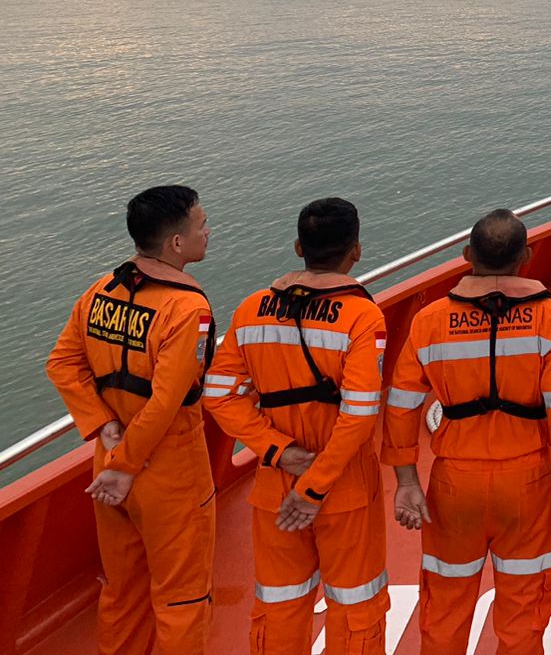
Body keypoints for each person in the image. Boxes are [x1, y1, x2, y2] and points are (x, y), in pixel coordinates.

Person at [381, 210, 551, 655]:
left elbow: (400, 405)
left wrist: (406, 481)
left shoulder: (429, 321)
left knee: (446, 607)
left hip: (454, 484)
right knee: (524, 608)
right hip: (529, 484)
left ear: (466, 255)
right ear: (527, 257)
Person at [203, 198, 389, 655]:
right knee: (355, 605)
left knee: (281, 603)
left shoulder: (251, 310)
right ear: (357, 251)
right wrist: (317, 486)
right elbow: (360, 412)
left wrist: (278, 451)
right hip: (343, 488)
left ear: (297, 247)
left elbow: (218, 394)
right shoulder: (362, 317)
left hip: (277, 486)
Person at [45, 185, 217, 655]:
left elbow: (61, 363)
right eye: (202, 224)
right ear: (176, 244)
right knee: (183, 597)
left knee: (123, 591)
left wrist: (103, 427)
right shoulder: (187, 309)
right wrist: (127, 467)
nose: (209, 231)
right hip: (168, 473)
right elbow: (166, 401)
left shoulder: (100, 291)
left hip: (108, 464)